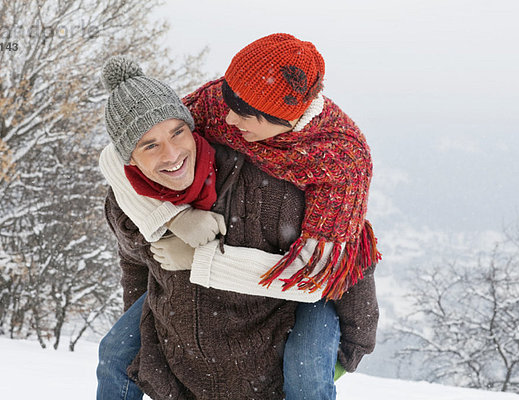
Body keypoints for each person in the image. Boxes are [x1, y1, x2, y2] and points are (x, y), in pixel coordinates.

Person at [98, 33, 380, 399]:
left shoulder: (340, 166)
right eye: (229, 99)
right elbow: (119, 154)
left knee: (307, 373)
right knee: (114, 354)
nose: (227, 117)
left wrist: (201, 260)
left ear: (287, 119)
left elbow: (314, 275)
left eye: (244, 113)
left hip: (294, 296)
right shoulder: (214, 107)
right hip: (201, 307)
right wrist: (172, 219)